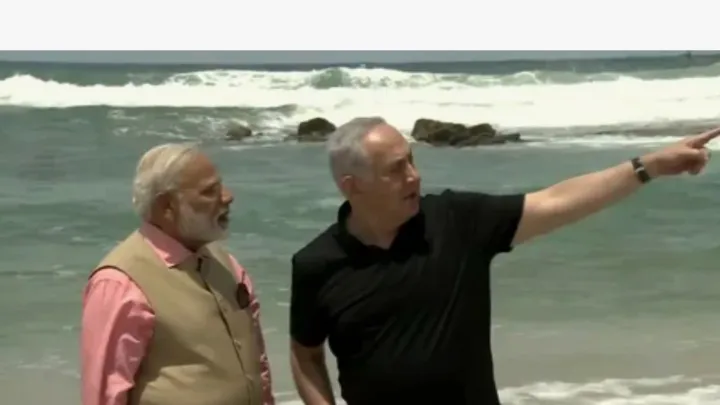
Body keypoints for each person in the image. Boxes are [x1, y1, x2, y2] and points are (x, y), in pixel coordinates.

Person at [288, 116, 719, 405]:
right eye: (396, 169)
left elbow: (557, 202)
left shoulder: (456, 222)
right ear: (352, 186)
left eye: (412, 161)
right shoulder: (316, 264)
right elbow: (305, 353)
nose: (414, 176)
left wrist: (648, 166)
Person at [81, 143, 274, 405]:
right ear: (167, 206)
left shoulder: (227, 265)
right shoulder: (120, 283)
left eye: (221, 186)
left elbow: (257, 364)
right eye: (209, 192)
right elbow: (105, 396)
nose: (228, 197)